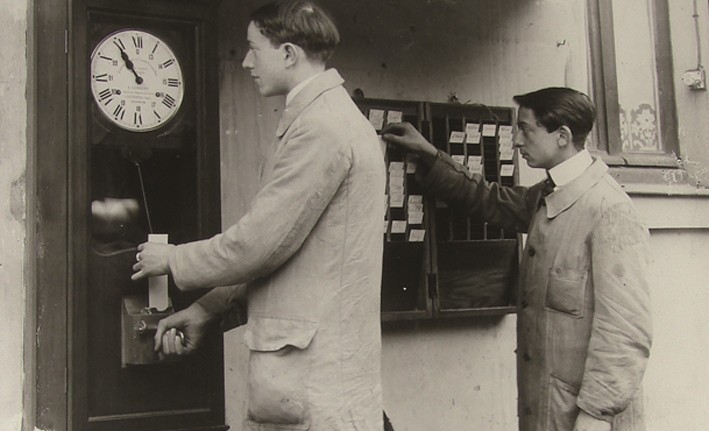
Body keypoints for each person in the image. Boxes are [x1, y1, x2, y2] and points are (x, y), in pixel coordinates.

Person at [132, 1, 386, 429]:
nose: (247, 61)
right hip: (316, 378)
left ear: (288, 54)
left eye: (254, 48)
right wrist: (205, 311)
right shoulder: (327, 118)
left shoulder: (321, 127)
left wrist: (173, 260)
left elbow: (259, 244)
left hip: (315, 382)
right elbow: (285, 255)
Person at [382, 87, 652, 431]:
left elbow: (626, 331)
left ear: (562, 136)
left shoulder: (609, 210)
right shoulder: (549, 194)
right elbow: (490, 200)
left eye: (526, 130)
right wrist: (431, 155)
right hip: (549, 409)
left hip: (588, 418)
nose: (517, 141)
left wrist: (597, 414)